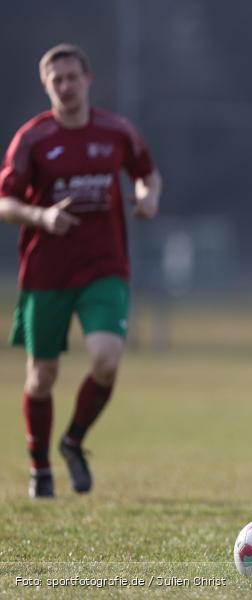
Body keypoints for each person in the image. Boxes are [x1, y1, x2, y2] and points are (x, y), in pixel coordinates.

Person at [0, 44, 162, 499]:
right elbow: (6, 202)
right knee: (41, 377)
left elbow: (148, 173)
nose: (66, 86)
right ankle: (40, 466)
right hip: (46, 272)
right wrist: (42, 217)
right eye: (57, 80)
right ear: (46, 85)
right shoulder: (32, 138)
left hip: (104, 266)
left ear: (88, 79)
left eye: (73, 77)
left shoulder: (116, 132)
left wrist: (148, 198)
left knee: (107, 360)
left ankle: (73, 441)